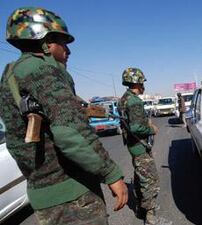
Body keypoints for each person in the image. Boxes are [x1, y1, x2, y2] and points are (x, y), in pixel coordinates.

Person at [0, 7, 128, 225]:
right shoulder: (41, 70)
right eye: (63, 42)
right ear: (46, 42)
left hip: (43, 196)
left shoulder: (10, 75)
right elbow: (69, 132)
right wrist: (111, 173)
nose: (68, 50)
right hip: (73, 196)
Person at [118, 68, 162, 225]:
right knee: (150, 180)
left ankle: (141, 209)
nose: (143, 85)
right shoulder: (134, 101)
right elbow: (137, 127)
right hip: (139, 145)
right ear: (137, 82)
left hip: (133, 145)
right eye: (142, 82)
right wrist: (152, 129)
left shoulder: (123, 99)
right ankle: (151, 217)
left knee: (139, 177)